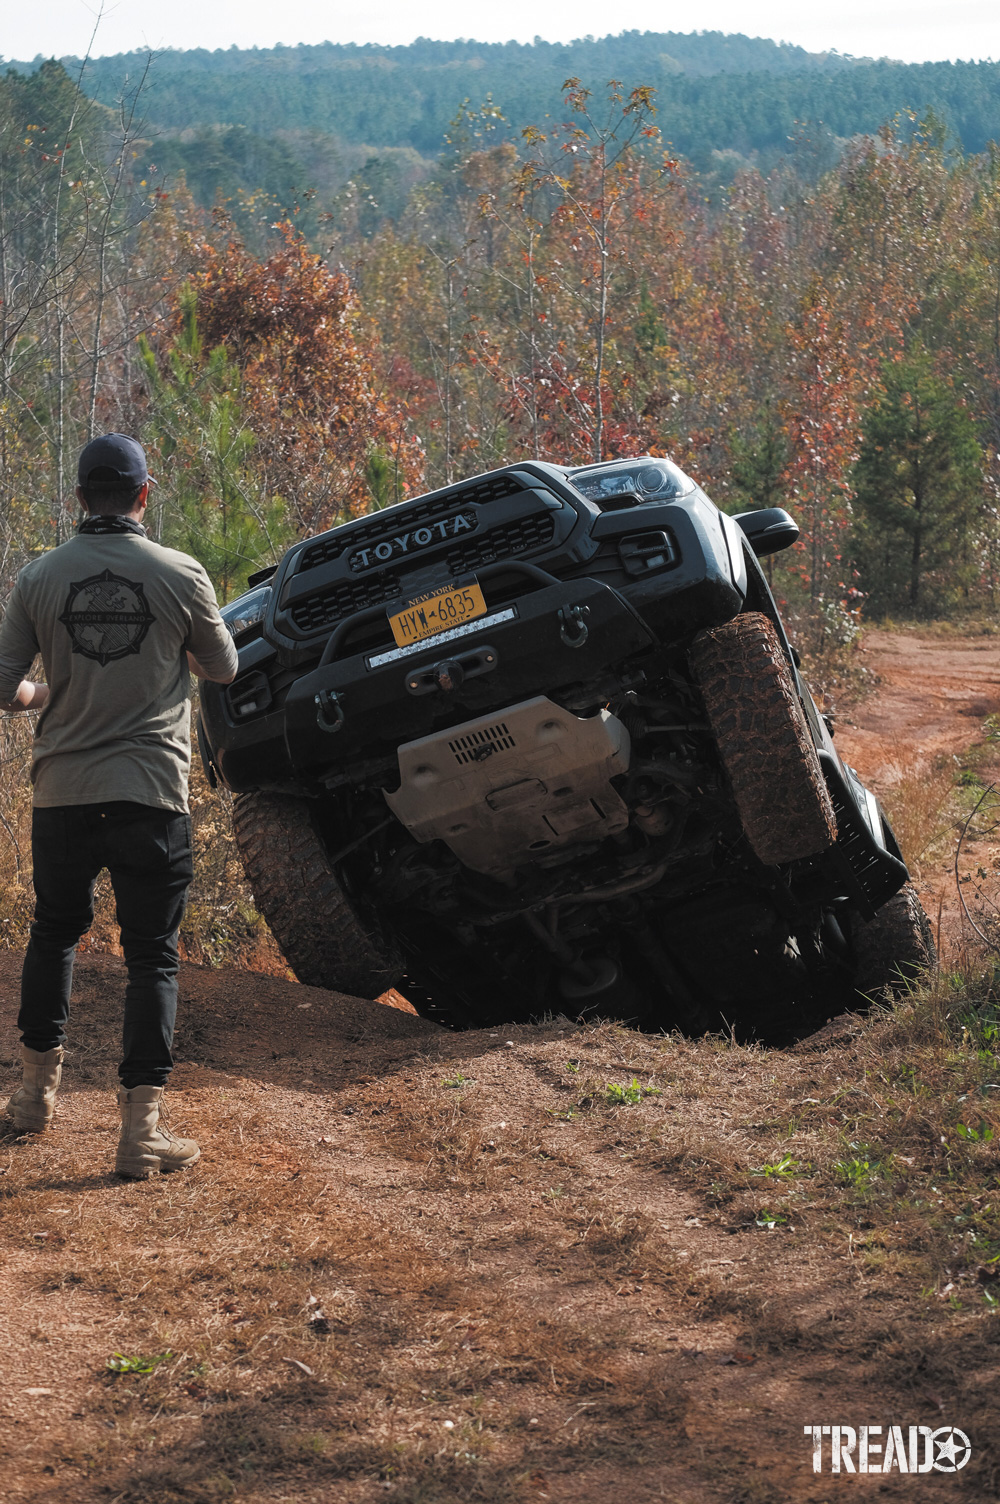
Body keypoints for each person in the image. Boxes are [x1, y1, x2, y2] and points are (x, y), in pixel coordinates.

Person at [1, 434, 238, 1176]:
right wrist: (173, 653)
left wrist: (49, 692)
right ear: (144, 493)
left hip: (63, 795)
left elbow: (5, 687)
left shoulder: (38, 578)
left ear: (79, 498)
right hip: (150, 795)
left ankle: (31, 1102)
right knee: (152, 959)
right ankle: (141, 1135)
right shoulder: (181, 573)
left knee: (55, 933)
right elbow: (223, 668)